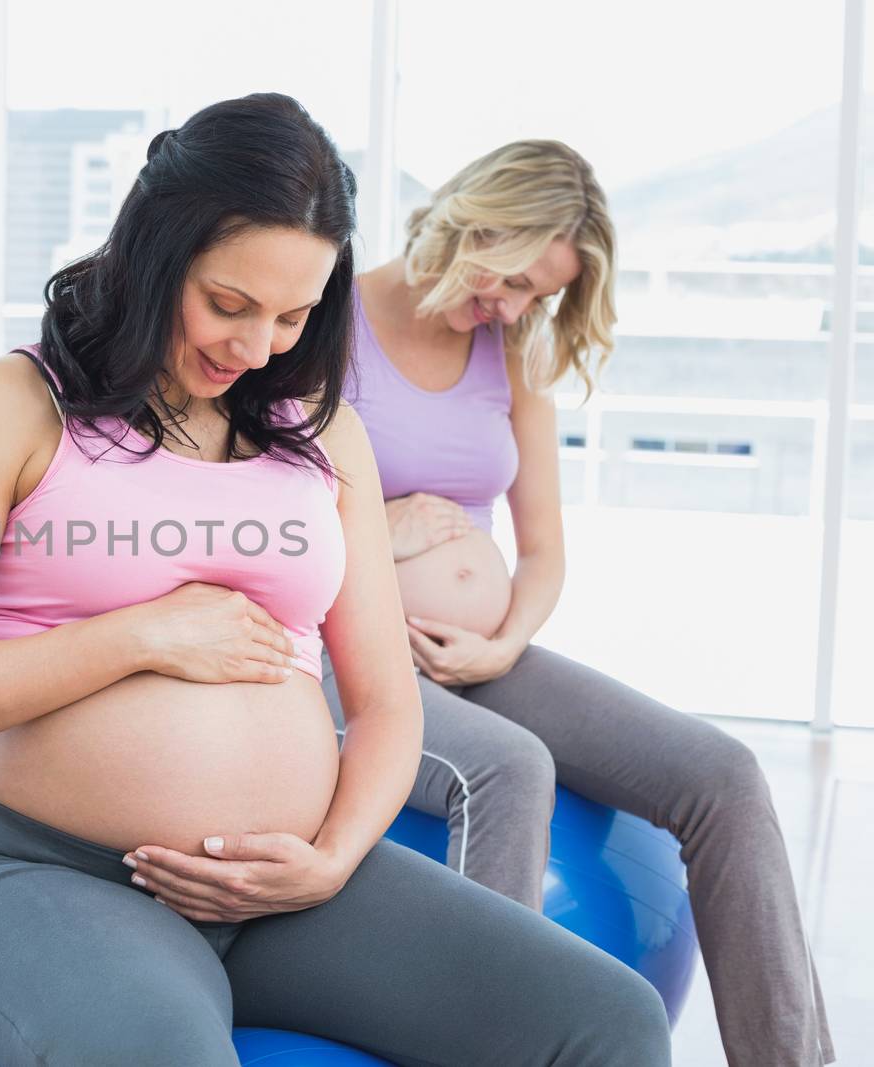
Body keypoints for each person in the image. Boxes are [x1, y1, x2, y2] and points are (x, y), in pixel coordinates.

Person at [0, 96, 671, 1067]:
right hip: (41, 871)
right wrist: (139, 634)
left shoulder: (322, 432)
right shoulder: (10, 403)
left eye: (292, 315)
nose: (255, 346)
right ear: (154, 255)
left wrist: (326, 859)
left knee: (607, 1018)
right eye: (228, 304)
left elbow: (383, 707)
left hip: (289, 887)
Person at [321, 139, 833, 1067]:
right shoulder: (326, 318)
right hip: (342, 648)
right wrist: (371, 532)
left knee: (724, 774)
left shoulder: (508, 350)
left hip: (478, 661)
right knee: (510, 770)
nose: (515, 308)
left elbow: (546, 550)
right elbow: (246, 503)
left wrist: (502, 640)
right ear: (469, 220)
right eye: (512, 277)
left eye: (540, 295)